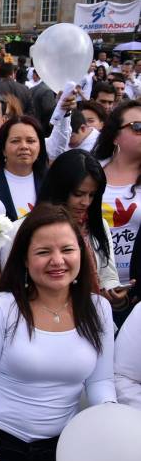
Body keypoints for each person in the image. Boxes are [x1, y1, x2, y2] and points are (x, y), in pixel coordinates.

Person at [0, 204, 116, 461]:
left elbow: (101, 382)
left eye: (67, 250)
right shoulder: (3, 306)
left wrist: (108, 429)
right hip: (1, 442)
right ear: (23, 258)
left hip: (61, 450)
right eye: (43, 252)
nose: (57, 261)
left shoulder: (99, 310)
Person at [0, 149, 121, 301]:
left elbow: (108, 276)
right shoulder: (20, 229)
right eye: (78, 194)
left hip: (91, 315)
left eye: (92, 195)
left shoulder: (98, 225)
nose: (86, 202)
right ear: (59, 189)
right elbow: (13, 286)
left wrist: (115, 294)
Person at [94, 100, 141, 323]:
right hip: (90, 289)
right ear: (115, 135)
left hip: (135, 294)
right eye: (137, 127)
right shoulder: (91, 172)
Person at [0, 115, 47, 221]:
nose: (24, 146)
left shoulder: (50, 181)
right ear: (3, 148)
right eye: (15, 141)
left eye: (30, 141)